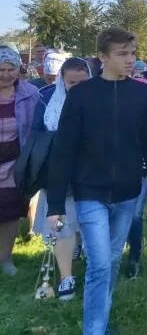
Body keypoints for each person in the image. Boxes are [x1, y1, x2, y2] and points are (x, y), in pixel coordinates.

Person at [46, 28, 147, 335]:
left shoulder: (143, 95)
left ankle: (100, 316)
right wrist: (56, 204)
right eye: (122, 54)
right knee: (100, 263)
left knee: (111, 260)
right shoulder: (82, 95)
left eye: (133, 53)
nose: (130, 60)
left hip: (128, 193)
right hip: (90, 193)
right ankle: (95, 330)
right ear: (102, 57)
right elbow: (63, 150)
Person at [31, 58, 91, 299]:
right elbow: (36, 132)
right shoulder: (47, 98)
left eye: (83, 82)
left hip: (91, 169)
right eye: (71, 83)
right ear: (61, 80)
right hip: (59, 168)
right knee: (62, 222)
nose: (77, 88)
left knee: (87, 218)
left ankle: (87, 260)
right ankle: (66, 277)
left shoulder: (102, 98)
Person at [0, 46, 39, 276]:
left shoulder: (30, 94)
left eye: (10, 69)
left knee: (10, 213)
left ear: (19, 68)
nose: (5, 74)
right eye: (1, 69)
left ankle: (5, 258)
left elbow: (36, 128)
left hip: (14, 163)